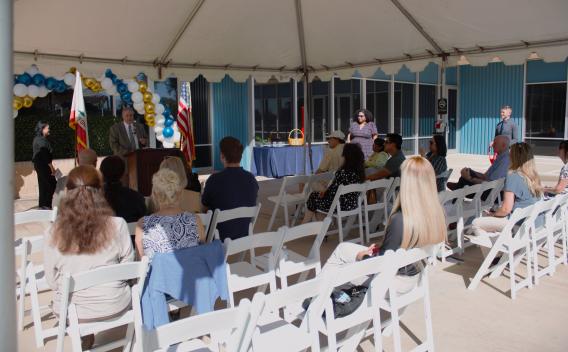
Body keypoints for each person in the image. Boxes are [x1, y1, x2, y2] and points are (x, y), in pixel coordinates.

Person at [320, 156, 446, 292]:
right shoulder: (436, 214)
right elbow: (404, 245)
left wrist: (362, 256)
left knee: (338, 262)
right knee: (343, 248)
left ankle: (315, 299)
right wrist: (382, 247)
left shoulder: (400, 219)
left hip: (389, 283)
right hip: (410, 278)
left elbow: (381, 265)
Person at [44, 165, 134, 347]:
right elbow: (128, 267)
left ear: (67, 192)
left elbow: (51, 281)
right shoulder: (118, 225)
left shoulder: (53, 232)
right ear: (100, 191)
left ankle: (84, 337)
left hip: (73, 311)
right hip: (116, 304)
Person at [471, 142, 543, 241]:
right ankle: (500, 248)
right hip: (536, 221)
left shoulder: (513, 176)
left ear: (514, 157)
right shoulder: (534, 176)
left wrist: (494, 214)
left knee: (476, 223)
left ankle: (494, 253)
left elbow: (506, 209)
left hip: (520, 223)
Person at [135, 168, 205, 260]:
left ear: (155, 195)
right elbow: (203, 254)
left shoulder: (142, 225)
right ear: (180, 193)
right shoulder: (195, 221)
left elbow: (140, 264)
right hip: (190, 273)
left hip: (158, 274)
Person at [202, 136, 258, 240]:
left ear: (222, 156)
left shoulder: (214, 179)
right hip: (244, 235)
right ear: (240, 156)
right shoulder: (251, 179)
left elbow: (204, 208)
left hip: (219, 236)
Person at [302, 143, 365, 223]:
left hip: (338, 206)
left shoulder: (342, 172)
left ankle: (306, 223)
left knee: (313, 196)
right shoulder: (360, 172)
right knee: (317, 198)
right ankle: (320, 226)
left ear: (346, 156)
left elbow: (333, 191)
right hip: (353, 204)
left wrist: (324, 192)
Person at [99, 156, 147, 224]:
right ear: (123, 174)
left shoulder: (96, 198)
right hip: (132, 234)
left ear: (101, 173)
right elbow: (144, 220)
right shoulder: (136, 197)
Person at [32, 121, 56, 209]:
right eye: (47, 128)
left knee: (43, 184)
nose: (49, 129)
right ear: (42, 129)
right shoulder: (40, 140)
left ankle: (43, 205)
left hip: (41, 165)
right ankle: (46, 204)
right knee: (51, 184)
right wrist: (52, 168)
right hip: (43, 166)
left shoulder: (40, 139)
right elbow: (45, 155)